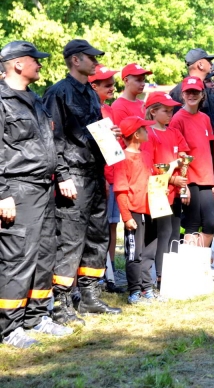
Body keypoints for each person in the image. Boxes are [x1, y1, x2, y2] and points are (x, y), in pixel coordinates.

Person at [44, 39, 122, 325]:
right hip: (73, 175)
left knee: (97, 236)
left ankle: (89, 298)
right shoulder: (58, 92)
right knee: (69, 240)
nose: (96, 62)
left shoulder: (90, 92)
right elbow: (52, 138)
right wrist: (63, 175)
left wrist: (109, 134)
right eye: (92, 57)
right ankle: (61, 304)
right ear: (75, 60)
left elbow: (92, 132)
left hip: (95, 172)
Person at [0, 41, 71, 348]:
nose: (40, 64)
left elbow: (51, 142)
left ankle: (37, 315)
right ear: (17, 64)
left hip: (44, 186)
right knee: (17, 257)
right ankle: (9, 327)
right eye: (35, 60)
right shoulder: (2, 100)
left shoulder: (35, 99)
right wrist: (2, 194)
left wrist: (62, 174)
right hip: (17, 189)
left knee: (44, 253)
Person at [141, 92, 189, 289]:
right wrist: (173, 178)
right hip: (158, 191)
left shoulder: (174, 132)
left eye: (172, 110)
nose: (170, 114)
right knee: (162, 232)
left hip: (175, 190)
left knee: (174, 232)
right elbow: (150, 167)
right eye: (166, 111)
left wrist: (184, 185)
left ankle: (169, 272)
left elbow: (184, 159)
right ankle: (158, 275)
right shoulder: (147, 134)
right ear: (153, 112)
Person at [88, 65, 126, 294]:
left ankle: (109, 275)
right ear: (94, 86)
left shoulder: (109, 109)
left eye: (113, 83)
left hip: (113, 174)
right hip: (99, 177)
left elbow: (111, 147)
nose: (112, 87)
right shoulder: (89, 109)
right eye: (107, 84)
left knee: (112, 226)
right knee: (98, 228)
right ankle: (94, 276)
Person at [114, 116, 157, 304]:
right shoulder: (122, 158)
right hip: (134, 213)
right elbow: (121, 190)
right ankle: (134, 290)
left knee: (149, 251)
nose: (148, 131)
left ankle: (147, 288)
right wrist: (126, 216)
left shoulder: (146, 155)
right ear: (137, 135)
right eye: (144, 129)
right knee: (134, 253)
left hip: (152, 210)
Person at [170, 77, 214, 249]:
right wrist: (184, 186)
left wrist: (212, 183)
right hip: (189, 179)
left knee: (211, 223)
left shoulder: (205, 118)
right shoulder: (178, 119)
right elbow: (177, 153)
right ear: (182, 94)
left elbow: (207, 151)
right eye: (188, 92)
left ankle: (199, 258)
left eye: (195, 92)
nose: (192, 95)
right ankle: (191, 261)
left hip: (206, 179)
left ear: (202, 94)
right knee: (192, 223)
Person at [169, 49, 214, 127]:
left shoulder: (205, 88)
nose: (211, 64)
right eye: (209, 61)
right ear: (200, 65)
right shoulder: (178, 91)